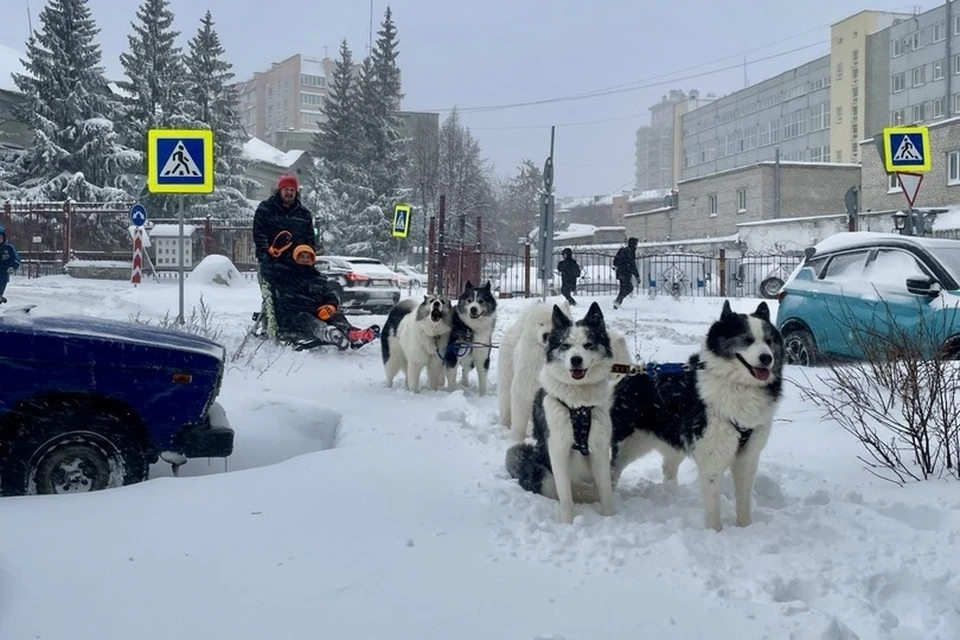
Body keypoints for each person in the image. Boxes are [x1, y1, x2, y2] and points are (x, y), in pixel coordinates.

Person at [253, 174, 376, 349]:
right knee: (298, 313)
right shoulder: (266, 209)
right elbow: (259, 236)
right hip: (276, 265)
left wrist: (306, 258)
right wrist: (267, 256)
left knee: (333, 314)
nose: (289, 193)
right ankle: (329, 333)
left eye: (292, 190)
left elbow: (310, 240)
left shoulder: (303, 214)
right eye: (286, 189)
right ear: (279, 190)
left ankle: (352, 333)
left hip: (299, 264)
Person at [612, 237, 640, 309]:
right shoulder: (629, 252)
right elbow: (632, 265)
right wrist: (637, 276)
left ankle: (616, 305)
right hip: (625, 273)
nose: (637, 245)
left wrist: (636, 276)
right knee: (629, 288)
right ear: (633, 244)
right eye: (636, 244)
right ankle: (617, 302)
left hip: (623, 272)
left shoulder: (626, 251)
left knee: (623, 289)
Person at [0, 225, 21, 304]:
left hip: (3, 273)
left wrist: (13, 266)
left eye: (0, 238)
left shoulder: (8, 248)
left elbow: (16, 259)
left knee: (1, 286)